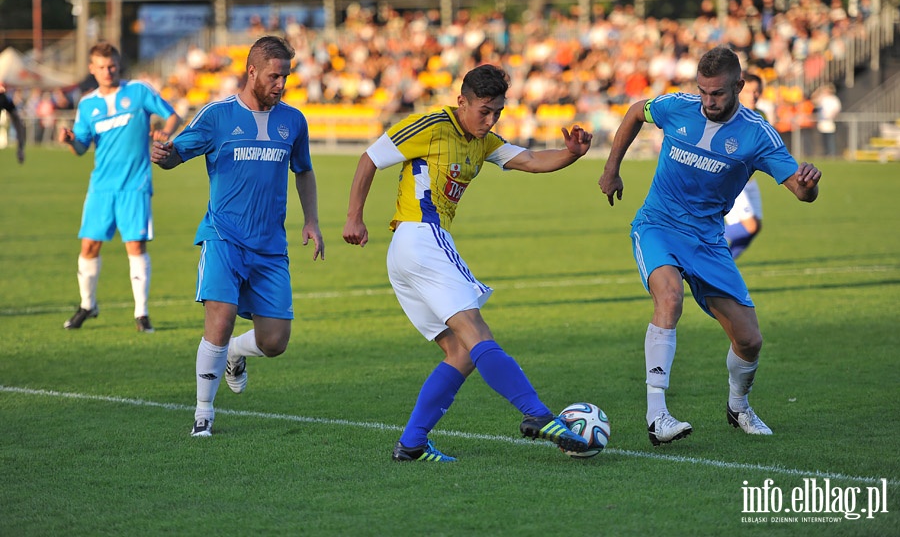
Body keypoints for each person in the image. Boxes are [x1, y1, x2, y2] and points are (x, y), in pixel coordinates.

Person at [343, 64, 593, 462]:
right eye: (483, 111)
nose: (490, 119)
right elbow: (370, 158)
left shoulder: (484, 140)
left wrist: (571, 154)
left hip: (411, 251)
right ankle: (537, 415)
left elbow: (528, 160)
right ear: (462, 102)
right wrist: (354, 216)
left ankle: (412, 444)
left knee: (460, 352)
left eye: (498, 111)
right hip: (422, 236)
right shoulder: (430, 125)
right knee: (476, 331)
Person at [598, 46, 821, 446]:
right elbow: (635, 111)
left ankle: (739, 407)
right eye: (702, 91)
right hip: (658, 225)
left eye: (716, 93)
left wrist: (809, 184)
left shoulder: (757, 135)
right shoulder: (678, 107)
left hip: (707, 241)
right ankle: (657, 415)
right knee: (669, 298)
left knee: (749, 340)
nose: (707, 101)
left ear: (740, 86)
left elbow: (802, 194)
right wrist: (611, 170)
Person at [151, 35, 324, 438]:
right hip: (223, 236)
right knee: (221, 315)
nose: (281, 84)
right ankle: (203, 413)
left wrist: (311, 220)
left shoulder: (294, 121)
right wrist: (164, 156)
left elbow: (304, 170)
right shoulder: (217, 115)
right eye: (273, 76)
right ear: (251, 72)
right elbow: (178, 153)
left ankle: (233, 354)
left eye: (286, 76)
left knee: (275, 341)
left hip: (270, 246)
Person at [58, 42, 181, 332]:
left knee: (135, 246)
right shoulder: (88, 104)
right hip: (101, 187)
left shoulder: (138, 91)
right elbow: (80, 146)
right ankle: (87, 305)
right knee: (89, 246)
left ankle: (142, 314)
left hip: (135, 184)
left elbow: (173, 114)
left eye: (111, 65)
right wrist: (69, 141)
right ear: (92, 69)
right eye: (101, 67)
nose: (107, 71)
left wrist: (167, 131)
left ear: (118, 64)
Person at [724, 72, 766, 259]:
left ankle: (724, 266)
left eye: (757, 91)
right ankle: (700, 242)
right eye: (749, 91)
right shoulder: (730, 115)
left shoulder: (761, 115)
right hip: (731, 180)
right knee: (751, 225)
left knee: (756, 226)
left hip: (749, 179)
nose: (753, 95)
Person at [813, 83, 842, 158]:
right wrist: (818, 91)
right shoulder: (822, 98)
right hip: (822, 121)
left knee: (830, 139)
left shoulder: (834, 99)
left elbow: (837, 109)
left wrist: (832, 115)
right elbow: (814, 100)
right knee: (823, 139)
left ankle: (831, 154)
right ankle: (825, 153)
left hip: (829, 121)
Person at [0, 82, 27, 163]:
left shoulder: (3, 98)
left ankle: (20, 150)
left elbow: (16, 118)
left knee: (19, 125)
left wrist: (20, 148)